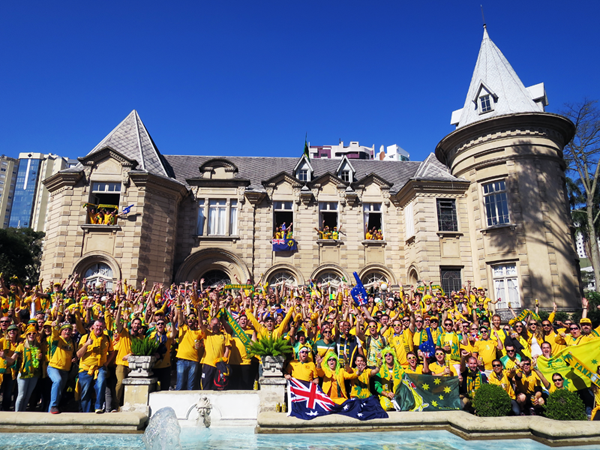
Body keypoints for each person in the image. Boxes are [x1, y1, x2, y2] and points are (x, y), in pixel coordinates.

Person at [76, 320, 114, 413]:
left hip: (100, 367)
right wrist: (86, 344)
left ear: (104, 327)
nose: (99, 328)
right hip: (85, 368)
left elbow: (112, 352)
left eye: (101, 326)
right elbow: (78, 355)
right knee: (85, 390)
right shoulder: (85, 337)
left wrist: (106, 363)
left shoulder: (107, 338)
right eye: (97, 326)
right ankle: (86, 411)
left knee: (101, 384)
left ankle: (98, 407)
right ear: (93, 326)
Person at [114, 305, 143, 404]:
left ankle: (127, 404)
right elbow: (117, 323)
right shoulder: (125, 332)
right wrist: (119, 309)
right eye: (135, 323)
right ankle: (115, 405)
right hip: (121, 363)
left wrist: (131, 354)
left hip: (133, 365)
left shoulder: (141, 338)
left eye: (138, 324)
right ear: (132, 324)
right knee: (120, 383)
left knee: (131, 385)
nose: (136, 325)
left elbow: (140, 351)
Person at [47, 323, 77, 414]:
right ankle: (54, 406)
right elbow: (55, 333)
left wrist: (75, 359)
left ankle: (50, 412)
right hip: (53, 367)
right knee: (58, 381)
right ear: (61, 332)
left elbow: (74, 355)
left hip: (65, 370)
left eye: (69, 329)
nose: (67, 331)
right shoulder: (57, 339)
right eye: (65, 330)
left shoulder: (73, 343)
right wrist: (55, 326)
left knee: (59, 391)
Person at [12, 325, 43, 411]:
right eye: (29, 334)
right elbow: (13, 358)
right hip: (23, 373)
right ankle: (17, 414)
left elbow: (37, 361)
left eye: (34, 333)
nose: (31, 335)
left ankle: (23, 413)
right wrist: (4, 357)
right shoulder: (21, 346)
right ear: (26, 335)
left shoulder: (38, 346)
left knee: (28, 396)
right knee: (21, 395)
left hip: (34, 374)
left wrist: (40, 358)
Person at [199, 317, 232, 390]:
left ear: (220, 325)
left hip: (219, 366)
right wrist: (199, 311)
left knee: (218, 387)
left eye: (217, 324)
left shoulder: (224, 335)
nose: (215, 326)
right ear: (210, 325)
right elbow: (200, 325)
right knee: (206, 386)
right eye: (213, 324)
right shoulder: (207, 334)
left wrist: (223, 361)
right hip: (208, 364)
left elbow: (227, 349)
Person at [0, 323, 20, 410]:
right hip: (1, 370)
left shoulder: (19, 343)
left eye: (14, 330)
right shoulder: (2, 341)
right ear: (7, 332)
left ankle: (5, 409)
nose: (12, 331)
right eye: (10, 330)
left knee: (8, 393)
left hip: (11, 371)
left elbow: (13, 359)